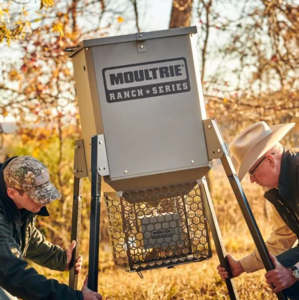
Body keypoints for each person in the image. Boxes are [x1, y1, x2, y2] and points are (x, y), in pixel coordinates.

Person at [0, 155, 102, 300]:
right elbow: (13, 274)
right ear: (12, 193)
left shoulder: (18, 204)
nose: (44, 202)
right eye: (37, 196)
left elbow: (27, 239)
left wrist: (61, 259)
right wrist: (75, 297)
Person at [217, 121, 299, 299]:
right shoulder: (278, 190)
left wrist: (294, 273)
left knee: (288, 274)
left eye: (252, 172)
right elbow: (281, 238)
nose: (252, 180)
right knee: (278, 269)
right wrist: (240, 266)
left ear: (270, 159)